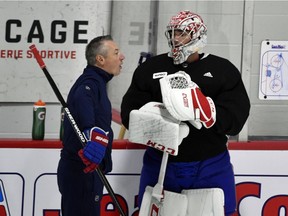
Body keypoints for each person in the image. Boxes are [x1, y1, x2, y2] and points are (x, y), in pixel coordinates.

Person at [120, 10, 250, 215]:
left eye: (181, 33)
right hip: (160, 163)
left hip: (210, 163)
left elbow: (237, 118)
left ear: (197, 35)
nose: (175, 39)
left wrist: (206, 112)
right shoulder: (150, 68)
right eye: (172, 33)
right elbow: (130, 114)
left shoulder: (223, 70)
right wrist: (162, 118)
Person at [57, 35, 125, 216]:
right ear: (100, 59)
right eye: (116, 53)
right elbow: (82, 101)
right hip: (82, 170)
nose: (122, 57)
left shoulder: (98, 83)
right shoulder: (89, 83)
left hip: (88, 170)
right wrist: (90, 132)